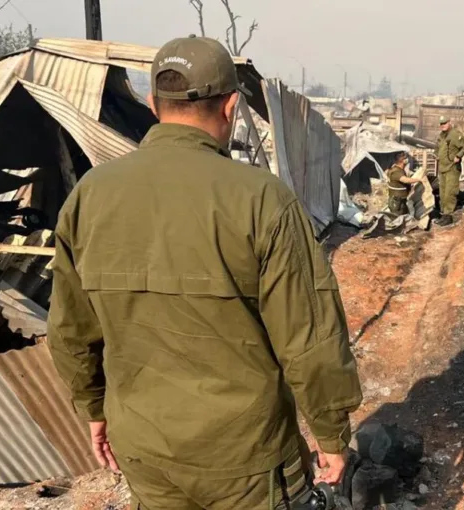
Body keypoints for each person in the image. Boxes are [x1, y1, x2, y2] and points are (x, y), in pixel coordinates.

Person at [47, 35, 362, 510]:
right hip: (246, 458)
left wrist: (94, 408)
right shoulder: (262, 199)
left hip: (145, 450)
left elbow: (70, 329)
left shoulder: (90, 195)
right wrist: (330, 433)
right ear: (232, 106)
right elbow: (309, 336)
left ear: (153, 103)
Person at [434, 116, 464, 226]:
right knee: (442, 194)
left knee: (449, 194)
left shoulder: (455, 134)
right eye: (441, 123)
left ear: (449, 122)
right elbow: (437, 147)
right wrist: (436, 154)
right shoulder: (442, 135)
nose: (443, 125)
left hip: (452, 168)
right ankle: (443, 215)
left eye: (445, 123)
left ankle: (448, 216)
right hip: (442, 168)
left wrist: (459, 155)